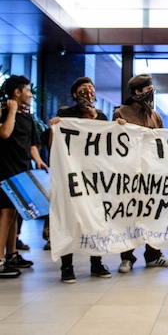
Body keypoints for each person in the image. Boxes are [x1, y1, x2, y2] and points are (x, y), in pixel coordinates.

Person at [48, 77, 112, 282]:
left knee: (96, 218)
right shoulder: (65, 115)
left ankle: (96, 262)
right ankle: (67, 266)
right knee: (69, 218)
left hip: (95, 177)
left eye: (92, 90)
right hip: (72, 174)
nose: (89, 93)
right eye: (84, 90)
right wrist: (54, 128)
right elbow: (54, 145)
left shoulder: (101, 116)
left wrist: (118, 127)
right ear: (75, 94)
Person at [112, 74, 168, 273]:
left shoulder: (155, 116)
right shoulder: (121, 113)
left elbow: (161, 143)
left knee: (152, 215)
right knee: (129, 214)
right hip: (129, 174)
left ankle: (153, 254)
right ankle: (127, 257)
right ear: (137, 91)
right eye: (148, 89)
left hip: (150, 175)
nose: (151, 93)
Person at [0, 75, 48, 278]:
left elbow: (31, 145)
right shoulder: (4, 112)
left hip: (22, 170)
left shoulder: (28, 118)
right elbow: (4, 133)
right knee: (6, 213)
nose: (30, 94)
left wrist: (38, 160)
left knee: (16, 213)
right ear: (16, 92)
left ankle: (11, 254)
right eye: (27, 90)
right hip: (5, 170)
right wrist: (11, 111)